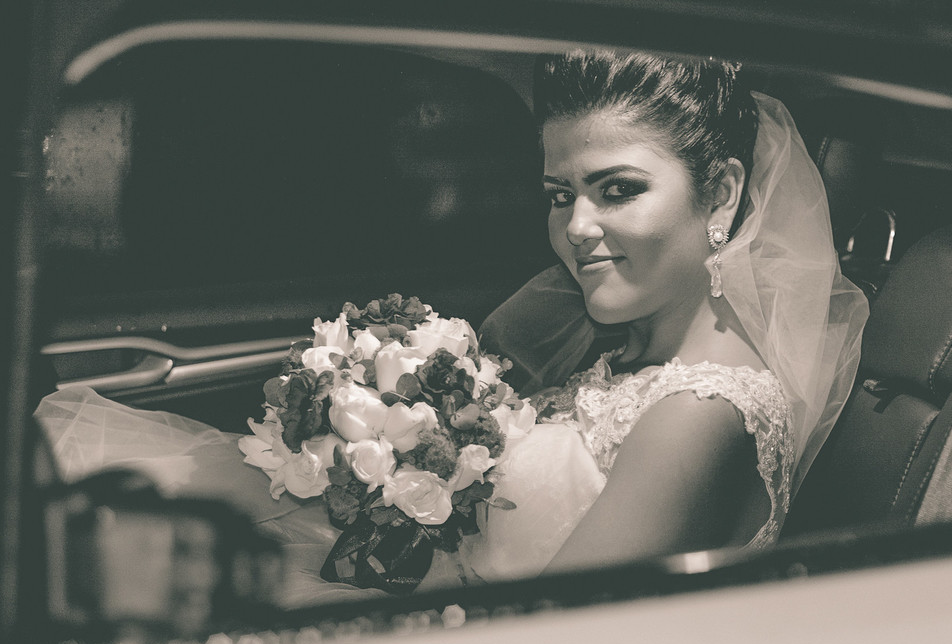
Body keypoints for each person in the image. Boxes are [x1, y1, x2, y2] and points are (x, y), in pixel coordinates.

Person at [34, 50, 868, 604]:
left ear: (720, 194)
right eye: (559, 195)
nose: (578, 227)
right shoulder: (617, 345)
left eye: (618, 189)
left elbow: (555, 640)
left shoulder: (700, 413)